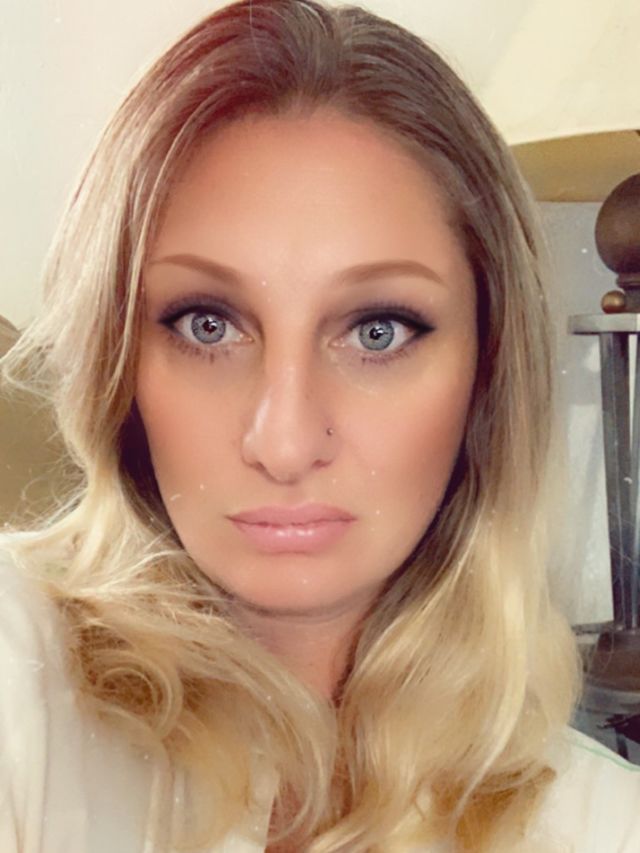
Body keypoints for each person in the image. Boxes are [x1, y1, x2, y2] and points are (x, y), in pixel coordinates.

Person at [1, 0, 639, 850]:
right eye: (207, 324)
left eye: (377, 330)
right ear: (119, 359)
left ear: (489, 367)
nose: (285, 442)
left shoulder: (602, 823)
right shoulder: (19, 680)